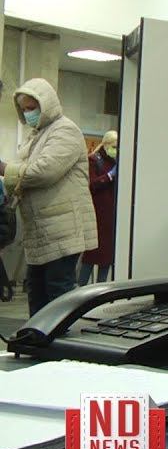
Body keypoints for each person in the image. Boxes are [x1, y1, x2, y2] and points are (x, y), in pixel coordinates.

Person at [0, 79, 97, 315]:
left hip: (61, 230)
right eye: (24, 109)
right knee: (36, 293)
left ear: (46, 104)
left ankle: (59, 339)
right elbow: (23, 172)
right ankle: (38, 337)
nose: (27, 113)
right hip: (40, 230)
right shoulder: (36, 136)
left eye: (31, 107)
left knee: (58, 295)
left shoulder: (65, 131)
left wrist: (3, 168)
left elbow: (43, 172)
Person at [79, 131, 118, 285]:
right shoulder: (94, 160)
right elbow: (91, 185)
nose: (116, 150)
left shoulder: (116, 162)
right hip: (96, 216)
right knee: (91, 255)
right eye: (114, 147)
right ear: (106, 144)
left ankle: (102, 288)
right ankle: (81, 287)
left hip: (111, 217)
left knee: (107, 257)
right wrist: (109, 176)